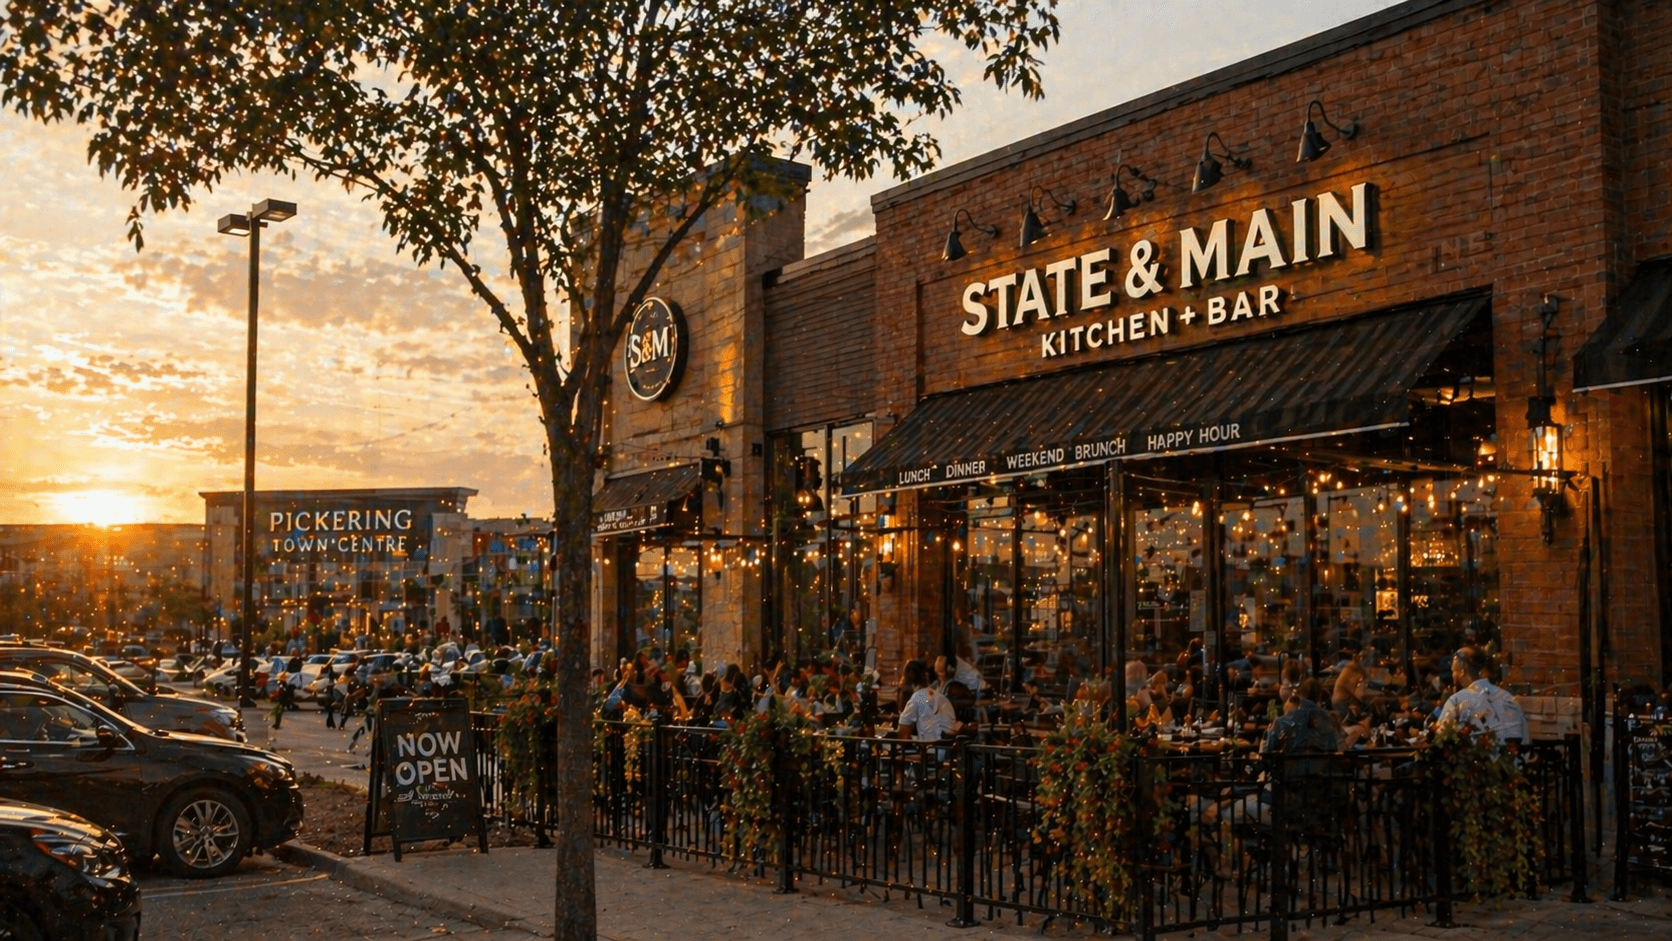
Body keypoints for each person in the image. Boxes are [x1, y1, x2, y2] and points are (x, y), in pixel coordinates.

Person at [1435, 647, 1528, 744]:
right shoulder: (1509, 697)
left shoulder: (1456, 700)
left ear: (1462, 672)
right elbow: (1526, 741)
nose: (1453, 675)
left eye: (1453, 671)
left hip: (1478, 757)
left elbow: (1439, 738)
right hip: (1516, 757)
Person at [895, 659, 957, 742]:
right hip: (948, 751)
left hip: (930, 751)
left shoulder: (917, 698)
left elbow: (902, 736)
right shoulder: (940, 697)